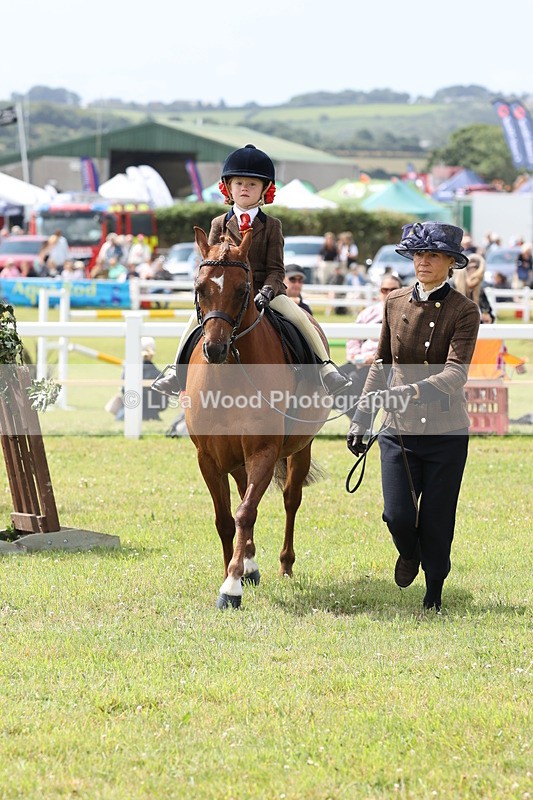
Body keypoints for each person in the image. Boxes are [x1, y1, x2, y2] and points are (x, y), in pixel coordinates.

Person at [347, 222, 480, 613]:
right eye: (420, 254)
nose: (424, 261)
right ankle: (409, 552)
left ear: (451, 262)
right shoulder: (394, 302)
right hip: (398, 429)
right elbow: (381, 362)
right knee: (397, 515)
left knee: (438, 519)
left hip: (445, 432)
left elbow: (455, 373)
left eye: (433, 255)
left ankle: (434, 589)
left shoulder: (465, 311)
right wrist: (362, 416)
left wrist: (408, 391)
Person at [153, 144, 351, 398]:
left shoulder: (272, 226)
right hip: (227, 295)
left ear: (264, 189)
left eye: (252, 184)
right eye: (239, 183)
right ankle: (175, 372)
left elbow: (276, 269)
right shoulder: (218, 223)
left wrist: (266, 292)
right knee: (194, 322)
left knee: (299, 318)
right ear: (229, 187)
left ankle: (326, 369)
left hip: (266, 293)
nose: (244, 188)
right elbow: (209, 263)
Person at [114, 337, 168, 422]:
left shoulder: (128, 371)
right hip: (151, 415)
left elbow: (124, 392)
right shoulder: (159, 375)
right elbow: (163, 404)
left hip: (126, 415)